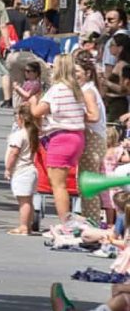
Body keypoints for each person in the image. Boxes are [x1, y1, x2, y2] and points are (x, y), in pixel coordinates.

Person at [29, 53, 97, 222]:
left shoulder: (57, 89)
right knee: (64, 183)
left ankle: (64, 223)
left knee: (58, 185)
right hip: (76, 136)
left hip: (61, 138)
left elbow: (37, 112)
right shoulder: (76, 89)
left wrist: (32, 102)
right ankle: (68, 220)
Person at [75, 51, 108, 223]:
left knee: (88, 185)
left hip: (93, 139)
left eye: (77, 72)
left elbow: (93, 116)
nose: (75, 76)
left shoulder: (88, 91)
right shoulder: (89, 89)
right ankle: (90, 220)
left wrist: (74, 114)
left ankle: (92, 222)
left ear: (87, 73)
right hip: (94, 139)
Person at [4, 102, 39, 235]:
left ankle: (23, 226)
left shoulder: (19, 135)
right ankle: (28, 225)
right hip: (30, 170)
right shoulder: (31, 134)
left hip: (22, 171)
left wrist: (8, 168)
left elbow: (14, 153)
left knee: (23, 202)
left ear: (21, 118)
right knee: (28, 200)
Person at [104, 33, 130, 122]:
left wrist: (107, 82)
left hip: (118, 102)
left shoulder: (122, 65)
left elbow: (124, 89)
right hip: (111, 102)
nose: (109, 48)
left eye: (112, 45)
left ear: (120, 48)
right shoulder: (117, 62)